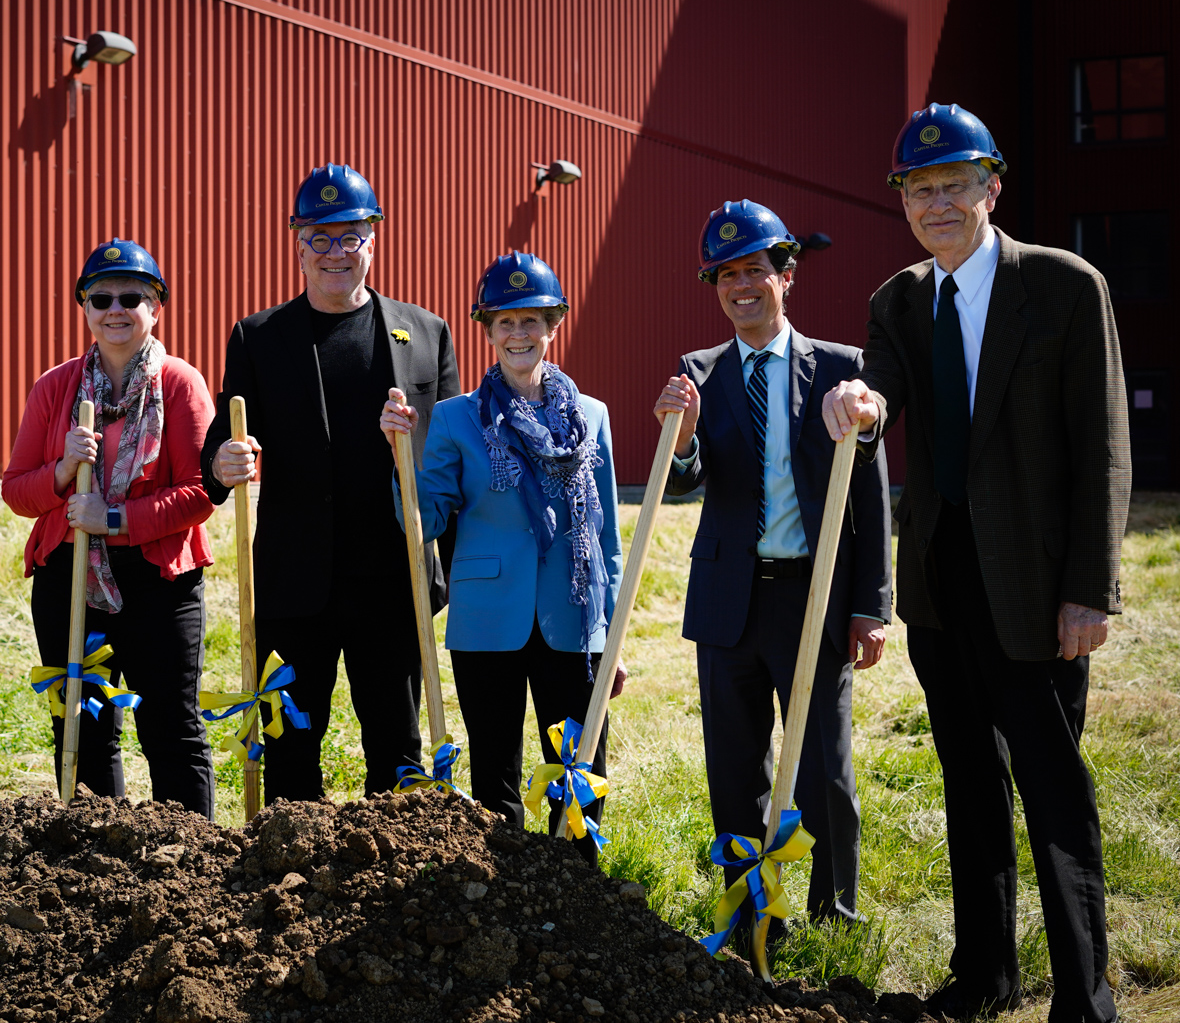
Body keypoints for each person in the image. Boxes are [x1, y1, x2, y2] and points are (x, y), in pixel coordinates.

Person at [822, 104, 1129, 1023]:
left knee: (1053, 790)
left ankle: (1087, 997)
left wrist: (1090, 592)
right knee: (967, 782)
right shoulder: (899, 300)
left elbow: (1104, 452)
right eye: (921, 190)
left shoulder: (1067, 288)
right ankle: (984, 977)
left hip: (1037, 593)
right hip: (942, 588)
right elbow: (883, 396)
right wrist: (857, 404)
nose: (937, 203)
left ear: (992, 188)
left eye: (955, 184)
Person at [652, 201, 891, 930]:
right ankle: (754, 911)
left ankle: (833, 911)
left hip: (812, 598)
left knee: (823, 765)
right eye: (726, 276)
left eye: (755, 270)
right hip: (728, 601)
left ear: (786, 275)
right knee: (734, 768)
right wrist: (683, 437)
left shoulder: (843, 370)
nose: (740, 287)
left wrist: (871, 604)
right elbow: (687, 481)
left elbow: (871, 499)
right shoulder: (699, 372)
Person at [201, 163, 461, 801]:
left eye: (350, 236)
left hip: (393, 582)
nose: (335, 253)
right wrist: (222, 464)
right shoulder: (259, 338)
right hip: (296, 585)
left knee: (396, 750)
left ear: (374, 238)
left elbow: (455, 459)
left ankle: (396, 885)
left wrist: (447, 569)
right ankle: (288, 883)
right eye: (319, 237)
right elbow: (221, 443)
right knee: (290, 746)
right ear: (297, 244)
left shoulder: (426, 333)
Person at [380, 253, 624, 865]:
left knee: (579, 768)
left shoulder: (591, 417)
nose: (519, 335)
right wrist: (400, 458)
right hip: (487, 617)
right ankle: (504, 892)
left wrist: (613, 634)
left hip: (573, 617)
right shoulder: (458, 418)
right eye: (505, 322)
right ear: (486, 330)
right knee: (496, 773)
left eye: (532, 321)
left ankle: (579, 892)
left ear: (554, 324)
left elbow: (607, 535)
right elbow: (426, 519)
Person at [3, 238, 217, 814]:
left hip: (159, 580)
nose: (115, 309)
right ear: (84, 308)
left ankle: (191, 864)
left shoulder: (180, 384)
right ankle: (94, 865)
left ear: (156, 306)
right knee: (84, 727)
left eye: (132, 296)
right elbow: (15, 490)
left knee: (170, 728)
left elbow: (201, 492)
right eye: (101, 298)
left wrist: (114, 519)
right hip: (70, 575)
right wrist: (65, 469)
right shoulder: (55, 388)